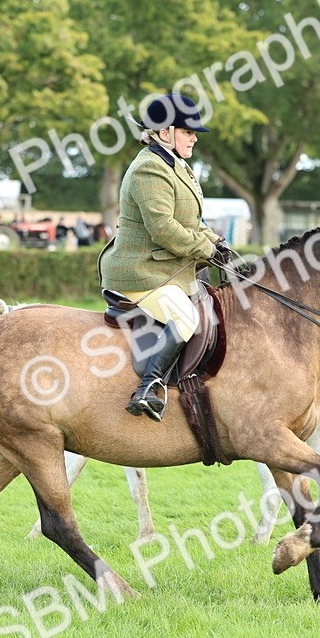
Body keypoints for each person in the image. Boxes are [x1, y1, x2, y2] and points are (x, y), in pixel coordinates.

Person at [98, 92, 232, 421]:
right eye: (187, 132)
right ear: (164, 132)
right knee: (186, 318)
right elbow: (164, 229)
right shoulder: (148, 169)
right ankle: (148, 388)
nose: (193, 138)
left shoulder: (176, 165)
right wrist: (205, 249)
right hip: (141, 272)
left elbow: (191, 222)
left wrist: (217, 242)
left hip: (166, 270)